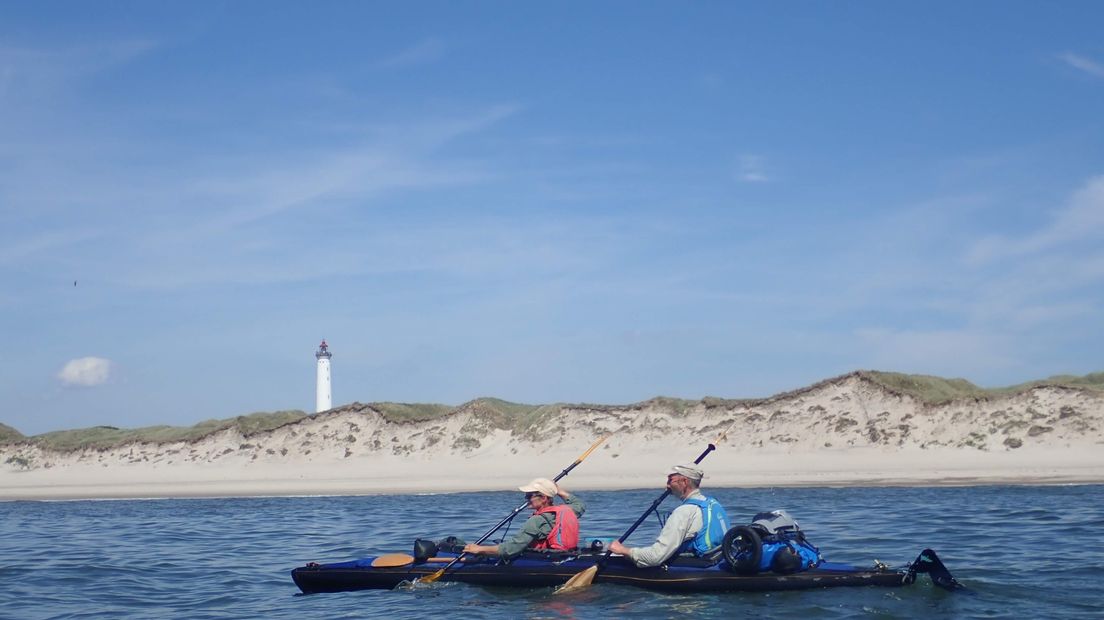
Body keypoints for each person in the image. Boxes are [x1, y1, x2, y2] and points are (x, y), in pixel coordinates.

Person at [608, 464, 730, 568]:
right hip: (718, 557)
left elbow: (655, 557)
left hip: (701, 565)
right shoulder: (713, 503)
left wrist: (623, 550)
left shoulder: (683, 512)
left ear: (684, 482)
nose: (667, 486)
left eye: (670, 480)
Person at [463, 478, 585, 560]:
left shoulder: (536, 521)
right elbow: (579, 505)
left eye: (528, 496)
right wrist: (559, 491)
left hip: (546, 559)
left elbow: (511, 549)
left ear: (543, 498)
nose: (526, 499)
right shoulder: (567, 511)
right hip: (565, 554)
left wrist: (479, 549)